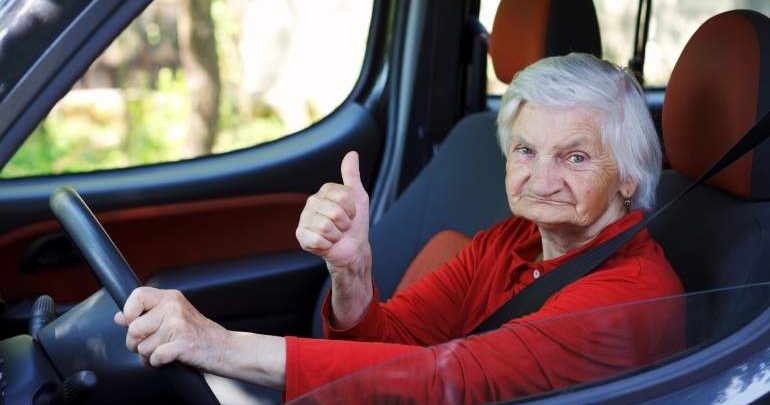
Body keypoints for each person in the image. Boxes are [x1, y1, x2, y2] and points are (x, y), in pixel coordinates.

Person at [114, 53, 684, 403]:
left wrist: (217, 345)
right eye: (526, 150)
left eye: (575, 157)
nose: (541, 179)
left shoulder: (631, 296)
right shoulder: (509, 241)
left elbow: (445, 381)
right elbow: (389, 348)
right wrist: (351, 269)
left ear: (628, 176)